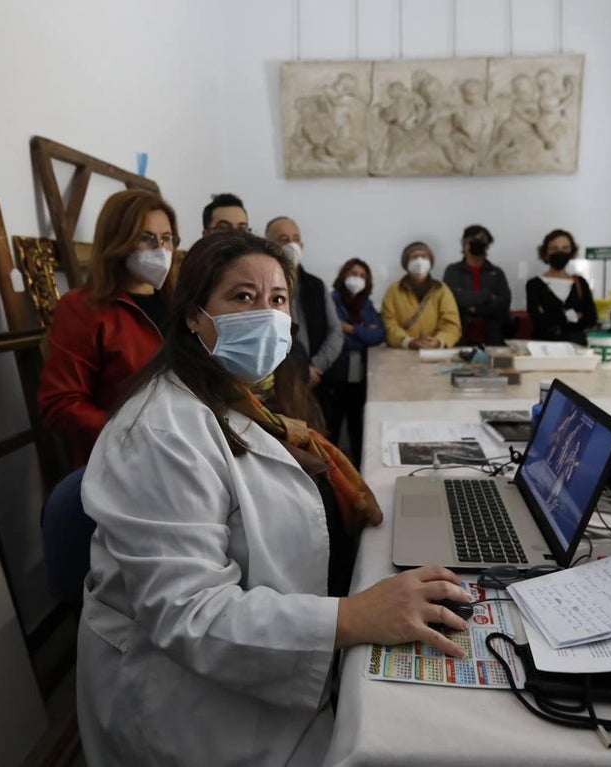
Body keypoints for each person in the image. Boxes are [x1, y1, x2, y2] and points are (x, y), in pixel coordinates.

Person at [76, 231, 471, 767]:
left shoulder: (238, 401)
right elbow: (190, 613)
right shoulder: (161, 430)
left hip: (257, 673)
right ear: (194, 316)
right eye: (242, 297)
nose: (265, 314)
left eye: (277, 299)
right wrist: (353, 616)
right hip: (191, 707)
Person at [38, 189, 180, 468]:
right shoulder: (83, 308)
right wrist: (131, 434)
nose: (160, 250)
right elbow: (60, 404)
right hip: (125, 461)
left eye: (167, 239)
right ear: (118, 242)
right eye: (146, 238)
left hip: (183, 447)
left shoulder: (179, 306)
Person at [265, 216, 344, 390]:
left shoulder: (316, 286)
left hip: (317, 381)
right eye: (283, 240)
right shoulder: (261, 287)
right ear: (267, 245)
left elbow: (335, 331)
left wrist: (315, 368)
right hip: (274, 383)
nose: (292, 245)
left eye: (295, 239)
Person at [325, 259, 385, 466]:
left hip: (360, 376)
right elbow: (336, 338)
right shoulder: (331, 301)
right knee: (330, 427)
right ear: (343, 275)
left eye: (362, 275)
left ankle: (360, 470)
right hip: (335, 374)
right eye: (353, 273)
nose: (357, 279)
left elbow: (378, 335)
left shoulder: (367, 304)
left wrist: (351, 329)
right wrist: (363, 332)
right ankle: (328, 476)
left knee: (357, 427)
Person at [381, 242, 463, 349]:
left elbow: (452, 324)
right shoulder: (393, 291)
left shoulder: (442, 290)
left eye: (424, 257)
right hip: (402, 352)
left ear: (430, 262)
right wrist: (409, 342)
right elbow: (389, 324)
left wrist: (438, 341)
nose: (419, 261)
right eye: (414, 257)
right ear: (406, 263)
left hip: (435, 353)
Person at [443, 224, 512, 345]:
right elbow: (453, 299)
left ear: (487, 245)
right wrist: (487, 295)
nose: (478, 243)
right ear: (464, 244)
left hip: (492, 336)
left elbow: (503, 304)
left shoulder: (496, 272)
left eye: (482, 240)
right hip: (460, 336)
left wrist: (472, 308)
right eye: (473, 240)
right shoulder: (453, 270)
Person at [525, 229, 597, 344]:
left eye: (565, 248)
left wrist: (552, 316)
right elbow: (538, 320)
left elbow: (591, 318)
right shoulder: (534, 284)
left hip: (576, 347)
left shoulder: (580, 282)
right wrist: (572, 315)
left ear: (571, 252)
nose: (560, 252)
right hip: (543, 346)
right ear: (546, 253)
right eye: (554, 249)